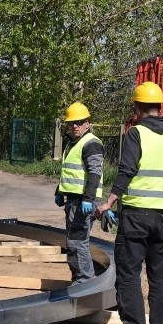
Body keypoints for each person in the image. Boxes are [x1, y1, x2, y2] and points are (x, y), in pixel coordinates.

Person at [95, 82, 163, 324]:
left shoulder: (137, 133)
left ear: (136, 107)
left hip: (136, 216)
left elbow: (126, 170)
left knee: (129, 274)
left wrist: (108, 202)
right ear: (160, 106)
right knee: (160, 277)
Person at [55, 102, 104, 283]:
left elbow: (94, 173)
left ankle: (84, 280)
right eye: (71, 123)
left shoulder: (90, 143)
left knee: (78, 242)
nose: (74, 126)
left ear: (87, 123)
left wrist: (88, 199)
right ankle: (78, 277)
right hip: (74, 199)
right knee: (73, 241)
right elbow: (71, 172)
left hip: (83, 201)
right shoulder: (73, 144)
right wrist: (60, 190)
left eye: (79, 122)